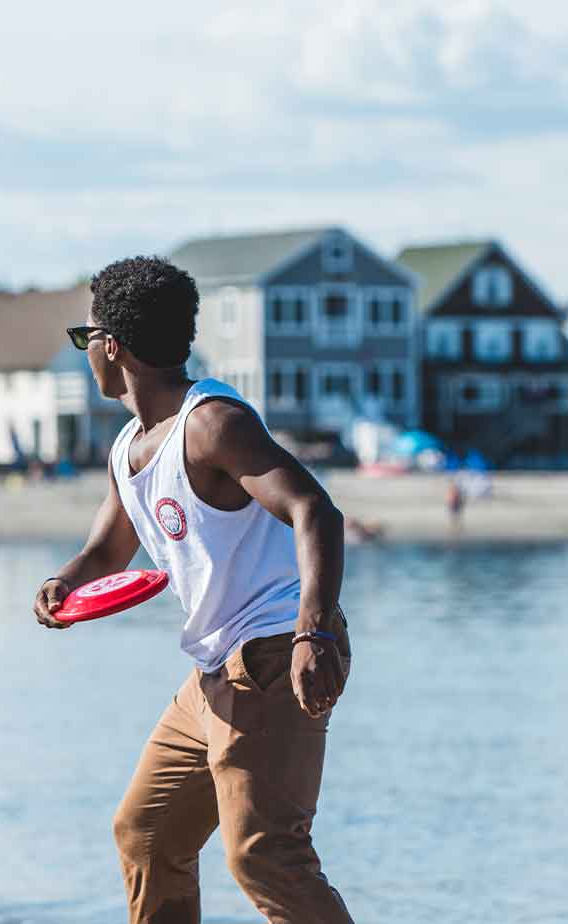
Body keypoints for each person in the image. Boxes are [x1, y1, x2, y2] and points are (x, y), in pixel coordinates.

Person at [33, 257, 353, 924]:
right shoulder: (129, 446)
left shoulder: (211, 424)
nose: (87, 352)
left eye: (84, 337)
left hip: (273, 651)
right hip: (212, 669)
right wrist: (64, 583)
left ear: (111, 346)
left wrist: (314, 631)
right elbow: (108, 548)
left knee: (265, 856)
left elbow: (314, 510)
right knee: (146, 835)